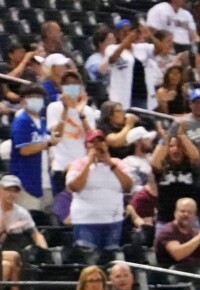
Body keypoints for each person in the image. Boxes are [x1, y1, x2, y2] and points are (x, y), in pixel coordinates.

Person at [66, 129, 134, 250]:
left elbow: (128, 186)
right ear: (86, 146)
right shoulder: (78, 164)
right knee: (88, 259)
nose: (97, 145)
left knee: (111, 257)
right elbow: (74, 187)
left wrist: (110, 163)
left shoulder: (117, 163)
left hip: (113, 222)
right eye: (92, 142)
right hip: (86, 221)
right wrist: (89, 163)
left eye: (100, 141)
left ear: (106, 144)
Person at [0, 175, 49, 290]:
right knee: (15, 256)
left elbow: (36, 234)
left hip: (2, 255)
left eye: (15, 190)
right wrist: (4, 228)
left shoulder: (21, 212)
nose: (11, 194)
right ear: (0, 190)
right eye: (8, 190)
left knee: (7, 265)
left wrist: (44, 251)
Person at [164, 88, 200, 214]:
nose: (198, 105)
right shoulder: (180, 123)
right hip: (192, 176)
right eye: (195, 102)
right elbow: (167, 143)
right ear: (190, 104)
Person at [45, 71, 97, 196]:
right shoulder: (54, 107)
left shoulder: (88, 111)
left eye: (75, 84)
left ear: (80, 87)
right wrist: (65, 110)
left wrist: (80, 113)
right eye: (67, 84)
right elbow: (56, 136)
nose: (71, 87)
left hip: (82, 167)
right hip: (61, 166)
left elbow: (92, 138)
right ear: (61, 88)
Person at [9, 83, 58, 212]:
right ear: (23, 100)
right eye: (32, 96)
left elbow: (52, 141)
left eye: (39, 96)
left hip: (45, 181)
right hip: (26, 182)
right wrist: (48, 143)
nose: (36, 99)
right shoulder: (22, 121)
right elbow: (24, 150)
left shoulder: (41, 122)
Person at [105, 20, 158, 111]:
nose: (127, 33)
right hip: (122, 96)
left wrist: (150, 36)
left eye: (129, 30)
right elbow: (112, 59)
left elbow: (160, 49)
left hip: (141, 95)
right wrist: (127, 41)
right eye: (124, 31)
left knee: (143, 122)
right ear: (117, 34)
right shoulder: (112, 48)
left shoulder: (141, 47)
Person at [151, 126, 200, 224]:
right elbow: (154, 162)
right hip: (165, 219)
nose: (175, 149)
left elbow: (195, 157)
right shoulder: (162, 167)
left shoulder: (190, 165)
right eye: (171, 146)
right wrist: (165, 139)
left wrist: (182, 134)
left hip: (189, 220)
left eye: (179, 146)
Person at [154, 197, 200, 268]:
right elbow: (178, 254)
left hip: (194, 273)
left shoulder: (194, 233)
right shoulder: (167, 231)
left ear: (195, 216)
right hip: (171, 275)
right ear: (175, 213)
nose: (186, 214)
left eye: (190, 212)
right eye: (182, 211)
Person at [121, 127, 158, 191]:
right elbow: (132, 187)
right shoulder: (128, 162)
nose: (150, 140)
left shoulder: (151, 158)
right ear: (137, 142)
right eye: (146, 138)